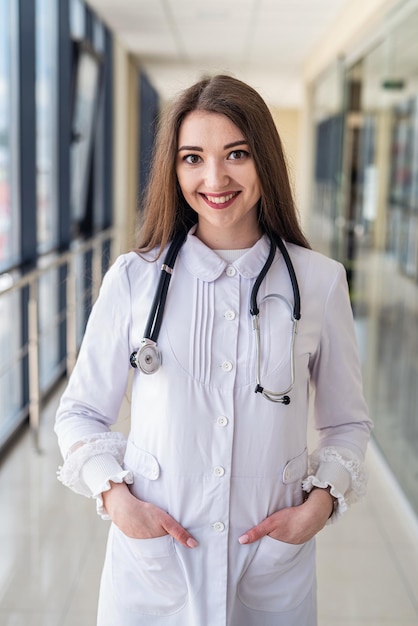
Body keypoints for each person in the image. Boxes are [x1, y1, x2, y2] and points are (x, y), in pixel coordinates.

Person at [55, 74, 372, 626]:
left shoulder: (319, 281)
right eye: (193, 158)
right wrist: (116, 500)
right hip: (155, 564)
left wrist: (318, 507)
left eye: (237, 154)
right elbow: (80, 412)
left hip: (271, 563)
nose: (215, 177)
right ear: (174, 170)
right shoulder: (134, 279)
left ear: (264, 161)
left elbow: (347, 422)